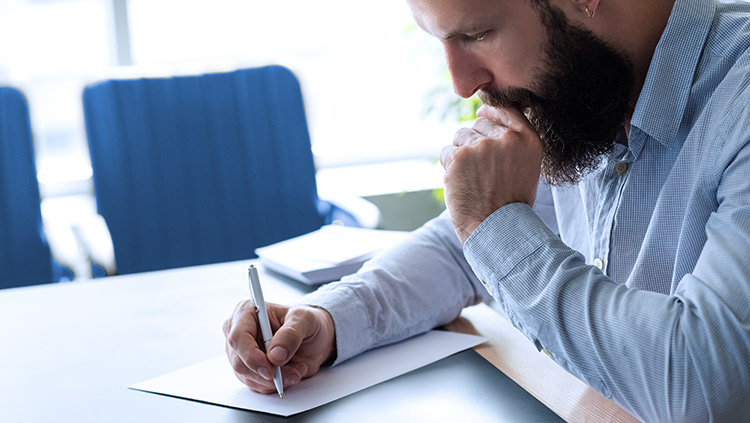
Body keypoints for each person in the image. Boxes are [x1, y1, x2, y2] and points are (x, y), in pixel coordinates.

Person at [223, 0, 750, 420]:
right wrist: (328, 318)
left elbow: (703, 388)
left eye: (476, 35)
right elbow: (466, 250)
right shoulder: (589, 87)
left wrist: (494, 225)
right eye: (442, 41)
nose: (461, 83)